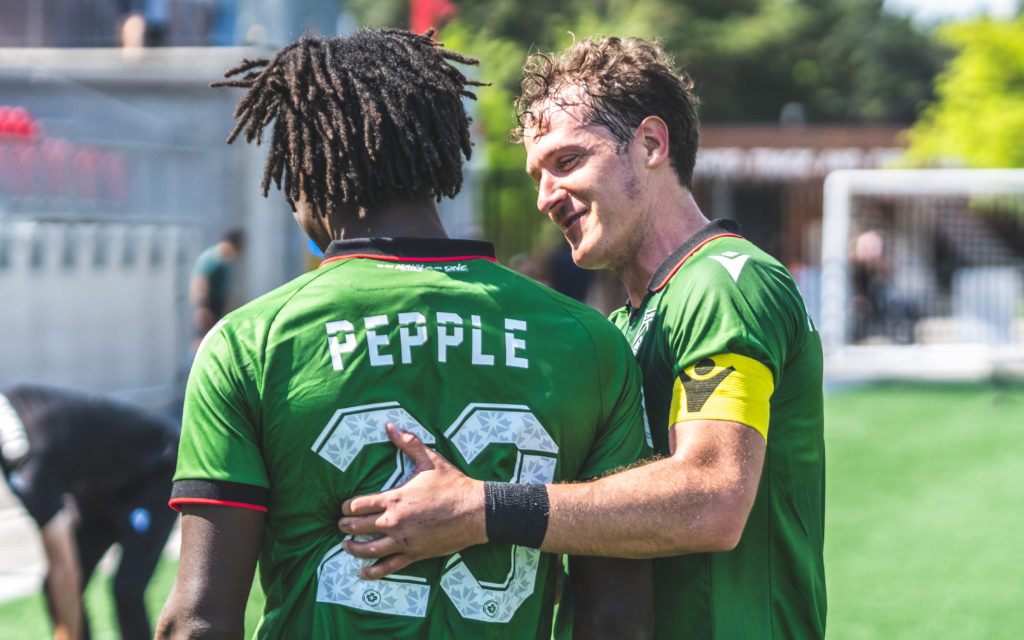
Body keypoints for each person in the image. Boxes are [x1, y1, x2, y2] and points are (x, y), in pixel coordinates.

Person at [156, 29, 652, 639]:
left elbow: (197, 620)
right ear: (441, 153)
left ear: (303, 166)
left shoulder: (249, 344)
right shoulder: (589, 343)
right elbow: (618, 616)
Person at [337, 36, 827, 639]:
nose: (545, 197)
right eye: (538, 175)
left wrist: (480, 509)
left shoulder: (726, 284)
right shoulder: (622, 325)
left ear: (650, 144)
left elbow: (712, 498)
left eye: (566, 162)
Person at [0, 384, 179, 640]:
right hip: (99, 490)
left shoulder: (27, 460)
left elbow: (63, 566)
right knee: (54, 589)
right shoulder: (10, 406)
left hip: (153, 472)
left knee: (126, 589)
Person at [189, 227, 244, 352]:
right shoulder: (212, 258)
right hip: (208, 307)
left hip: (218, 307)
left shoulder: (224, 261)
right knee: (202, 341)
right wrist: (201, 307)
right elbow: (199, 280)